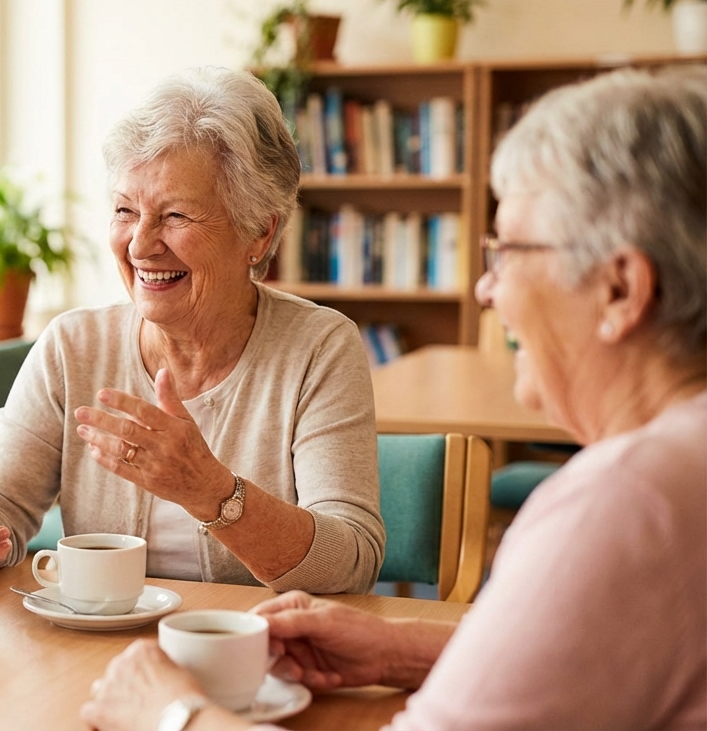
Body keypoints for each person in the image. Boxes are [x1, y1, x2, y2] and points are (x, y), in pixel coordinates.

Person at [82, 66, 707, 731]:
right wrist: (407, 649)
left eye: (511, 253)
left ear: (620, 290)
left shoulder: (628, 503)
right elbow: (603, 654)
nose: (485, 292)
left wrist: (169, 713)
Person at [0, 67, 383, 594]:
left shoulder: (319, 350)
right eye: (125, 210)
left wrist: (211, 490)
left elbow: (351, 560)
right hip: (99, 653)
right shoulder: (73, 346)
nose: (140, 245)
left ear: (259, 230)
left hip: (254, 650)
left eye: (175, 215)